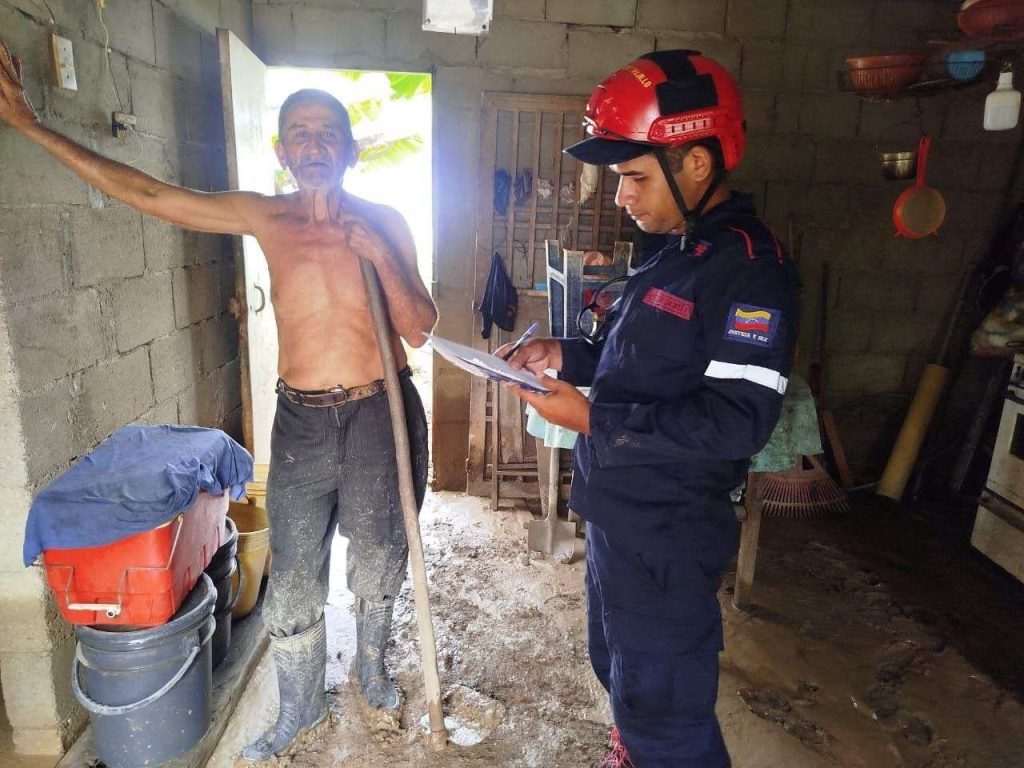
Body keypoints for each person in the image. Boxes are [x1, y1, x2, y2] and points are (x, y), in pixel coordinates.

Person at [0, 43, 437, 760]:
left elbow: (420, 327)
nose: (314, 144)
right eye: (299, 132)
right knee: (294, 576)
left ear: (352, 149)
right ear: (281, 149)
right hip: (301, 420)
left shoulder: (385, 220)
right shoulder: (267, 216)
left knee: (381, 558)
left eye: (328, 132)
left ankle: (371, 668)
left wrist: (382, 256)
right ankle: (300, 705)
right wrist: (27, 122)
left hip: (377, 412)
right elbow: (147, 195)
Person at [501, 50, 799, 768]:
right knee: (617, 668)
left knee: (666, 711)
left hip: (667, 530)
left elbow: (736, 420)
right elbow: (630, 356)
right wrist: (564, 355)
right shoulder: (670, 250)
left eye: (634, 177)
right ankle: (630, 748)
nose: (621, 196)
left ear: (696, 163)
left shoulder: (748, 267)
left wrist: (594, 420)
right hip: (618, 510)